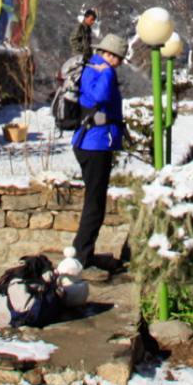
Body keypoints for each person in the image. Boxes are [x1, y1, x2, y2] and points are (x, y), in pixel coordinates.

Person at [71, 32, 127, 269]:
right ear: (109, 55)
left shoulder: (94, 68)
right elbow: (99, 97)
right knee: (94, 204)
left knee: (96, 201)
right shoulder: (99, 70)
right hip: (94, 144)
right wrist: (107, 71)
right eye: (119, 59)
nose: (120, 64)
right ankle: (80, 257)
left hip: (93, 142)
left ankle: (84, 252)